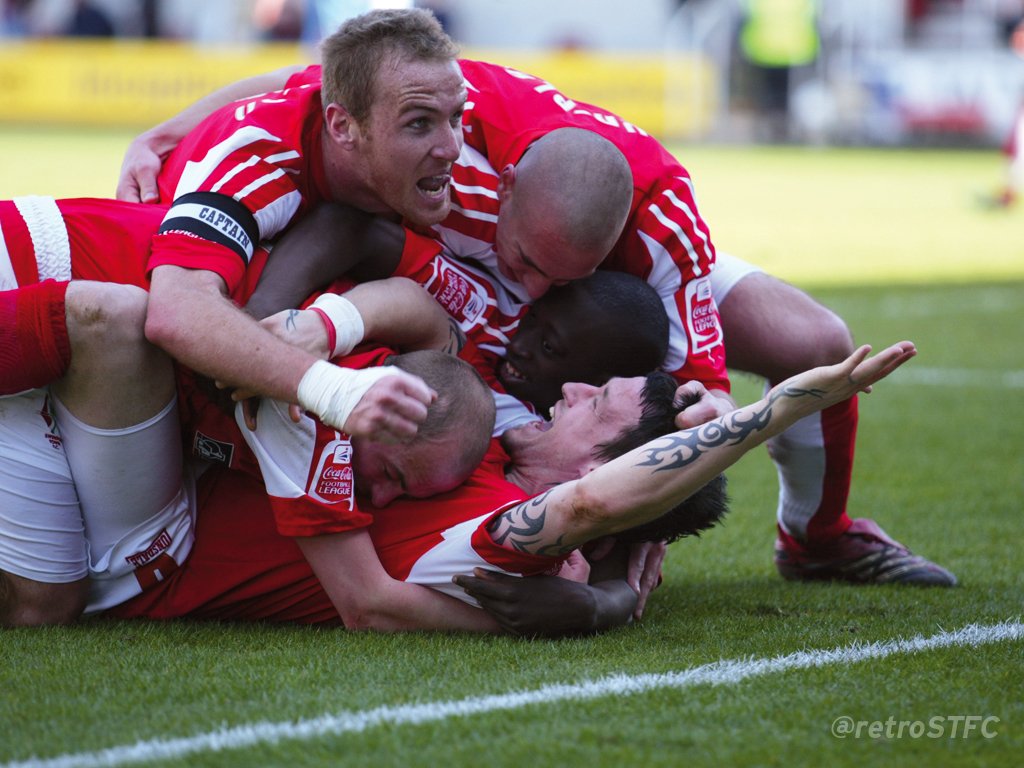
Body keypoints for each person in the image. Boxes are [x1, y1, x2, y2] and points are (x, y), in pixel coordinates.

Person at [125, 55, 955, 588]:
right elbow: (317, 86)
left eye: (558, 276)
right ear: (507, 186)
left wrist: (651, 512)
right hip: (462, 295)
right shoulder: (458, 121)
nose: (531, 286)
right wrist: (171, 130)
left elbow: (695, 399)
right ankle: (220, 431)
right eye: (523, 261)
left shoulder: (662, 228)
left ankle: (817, 537)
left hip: (592, 301)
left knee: (817, 342)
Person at [138, 8, 469, 437]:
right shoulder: (257, 162)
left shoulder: (395, 101)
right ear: (343, 126)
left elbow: (303, 75)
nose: (453, 148)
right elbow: (175, 309)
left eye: (457, 116)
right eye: (419, 124)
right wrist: (333, 390)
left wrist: (157, 134)